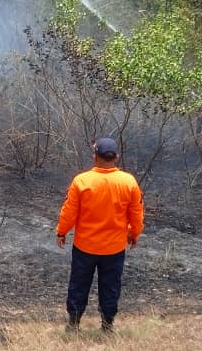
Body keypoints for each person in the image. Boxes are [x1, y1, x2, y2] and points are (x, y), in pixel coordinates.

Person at [56, 137, 144, 333]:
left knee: (79, 284)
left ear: (95, 156)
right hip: (114, 248)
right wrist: (134, 234)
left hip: (85, 247)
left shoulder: (82, 181)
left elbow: (69, 212)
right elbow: (136, 214)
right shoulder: (128, 182)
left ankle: (74, 324)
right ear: (116, 157)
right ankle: (107, 325)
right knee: (111, 287)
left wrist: (62, 231)